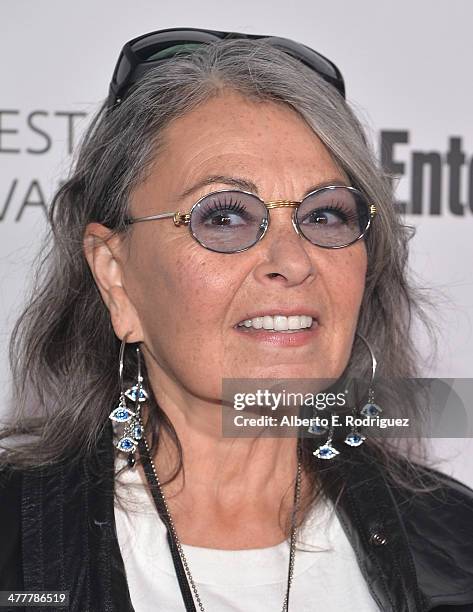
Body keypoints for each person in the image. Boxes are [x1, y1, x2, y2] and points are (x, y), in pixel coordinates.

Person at [0, 27, 472, 612]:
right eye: (223, 217)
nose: (294, 262)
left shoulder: (458, 544)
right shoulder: (14, 549)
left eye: (324, 214)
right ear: (115, 275)